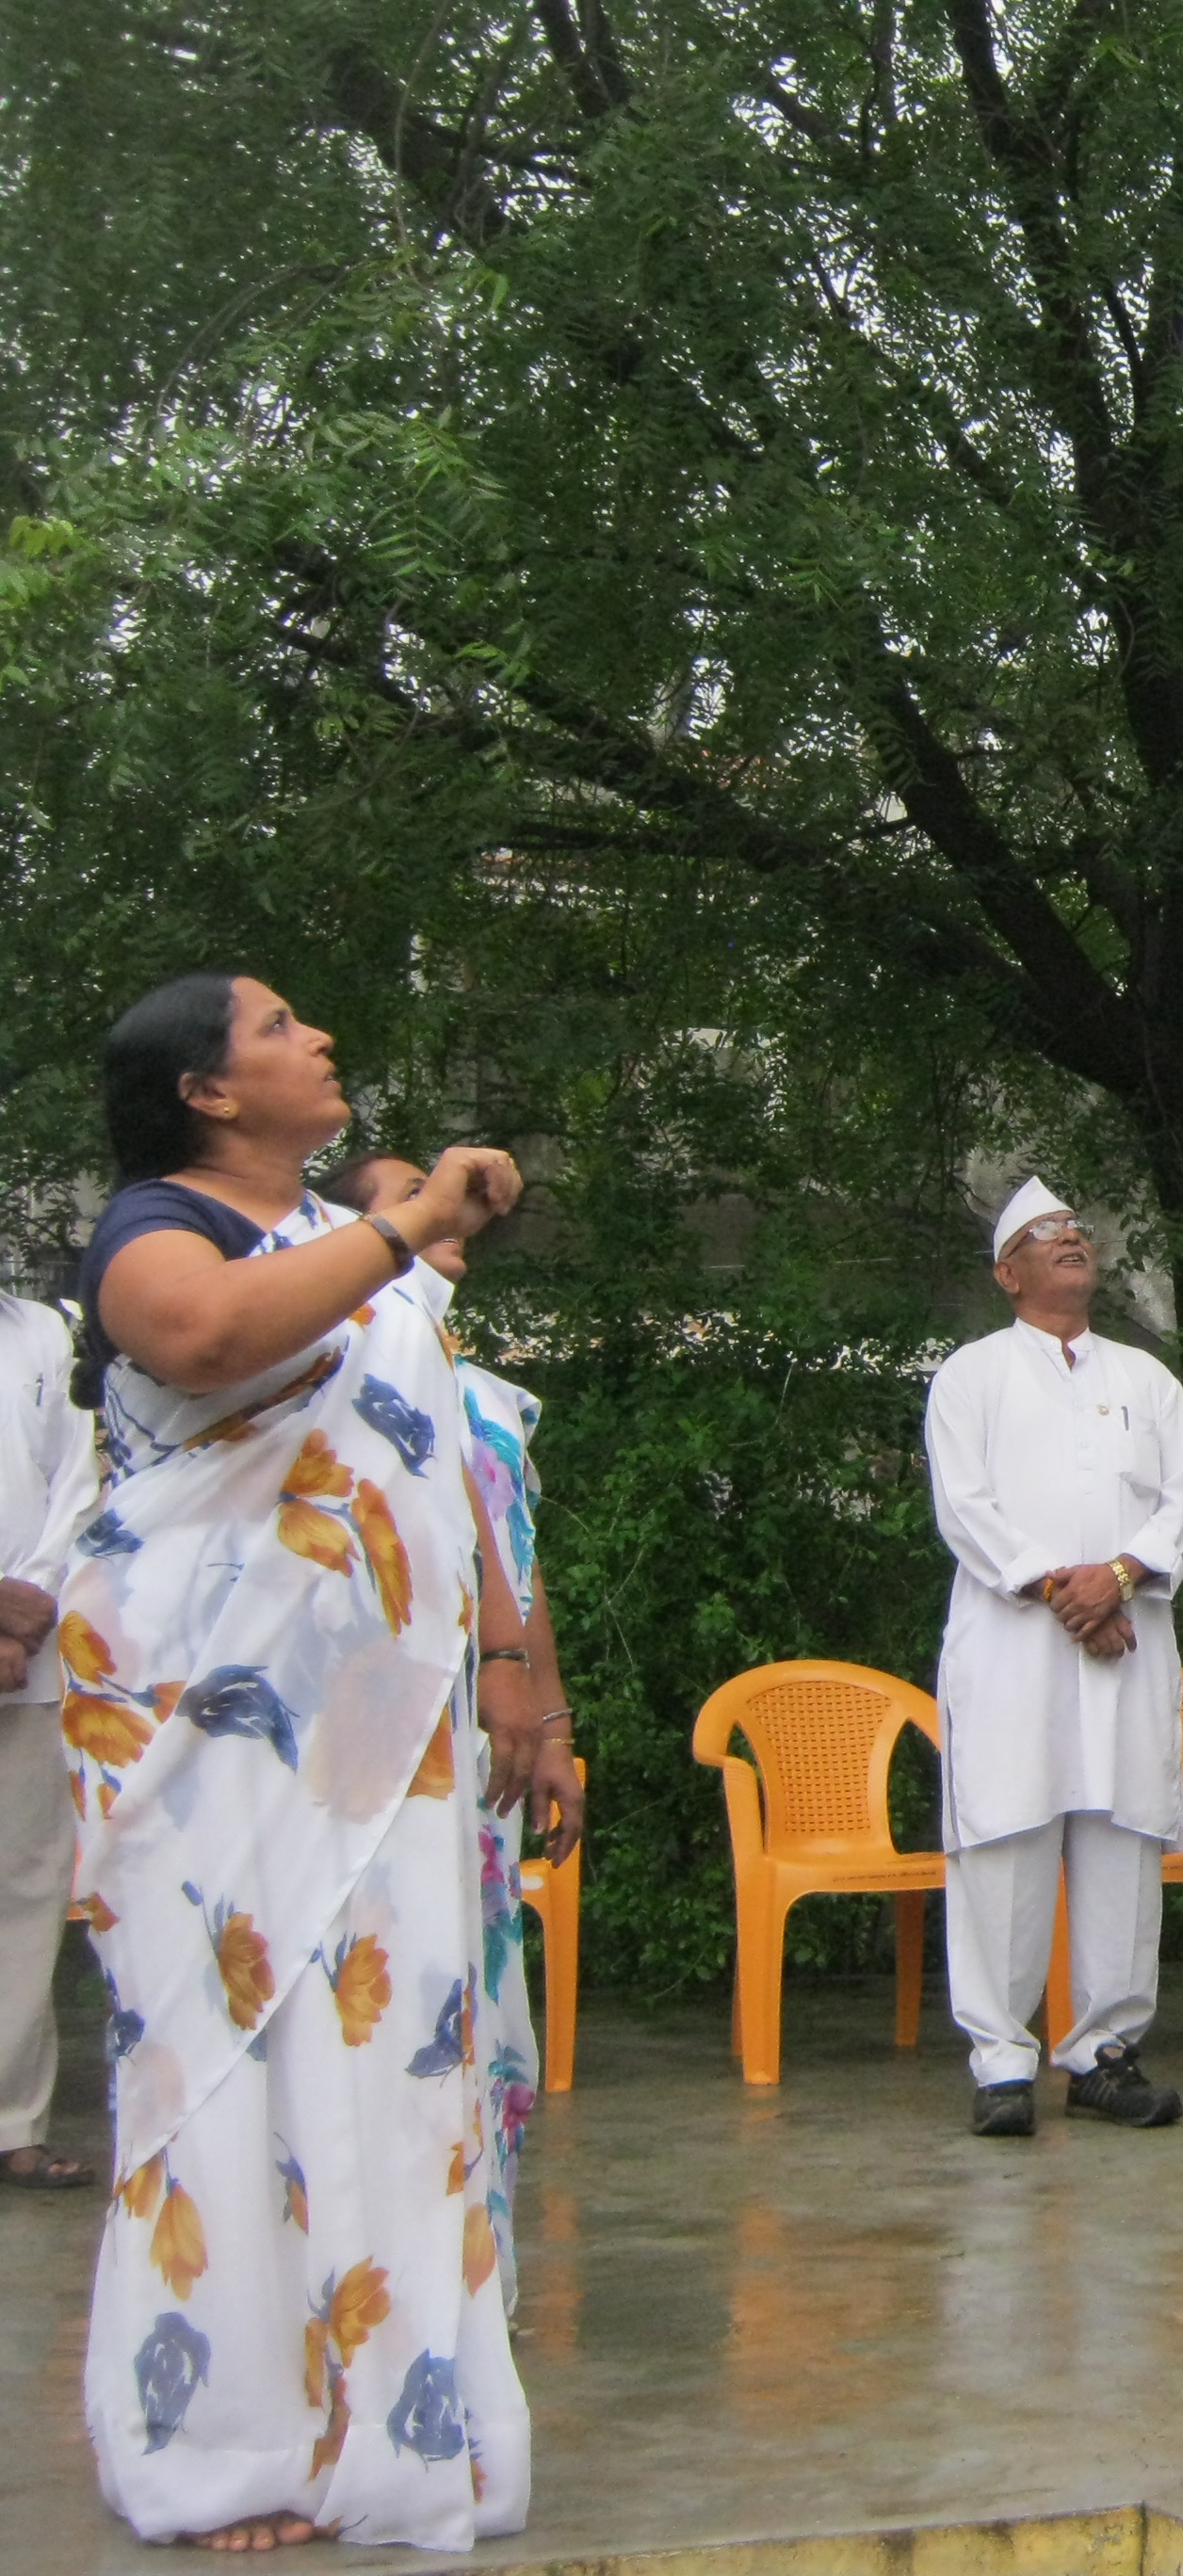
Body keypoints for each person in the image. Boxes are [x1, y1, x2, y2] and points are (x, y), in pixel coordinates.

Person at [60, 973, 531, 2552]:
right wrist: (407, 1226)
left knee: (386, 2053)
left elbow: (433, 1457)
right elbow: (202, 1337)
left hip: (374, 1737)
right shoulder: (156, 1228)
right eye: (274, 1028)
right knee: (220, 2053)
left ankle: (391, 2431)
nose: (318, 1036)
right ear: (205, 1091)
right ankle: (220, 2445)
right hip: (200, 1732)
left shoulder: (346, 1239)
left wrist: (510, 1657)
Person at [318, 1153, 586, 2298]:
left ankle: (481, 2290)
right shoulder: (320, 1370)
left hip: (487, 1736)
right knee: (381, 2007)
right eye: (403, 1194)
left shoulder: (479, 1394)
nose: (443, 1207)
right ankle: (378, 2289)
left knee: (483, 2012)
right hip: (367, 1739)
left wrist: (552, 1722)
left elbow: (519, 1568)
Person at [924, 1179, 1183, 2139]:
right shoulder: (971, 1375)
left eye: (1078, 1230)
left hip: (1128, 1642)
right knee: (1004, 1838)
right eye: (1046, 1234)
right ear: (1008, 1274)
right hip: (1013, 1649)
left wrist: (1121, 1577)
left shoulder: (1146, 1378)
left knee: (1123, 1837)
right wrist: (1067, 1593)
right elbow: (966, 1506)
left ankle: (1103, 2055)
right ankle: (1002, 2064)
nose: (1071, 1238)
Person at [0, 1284, 100, 2193]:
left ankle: (11, 2124)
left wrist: (21, 1611)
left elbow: (76, 1487)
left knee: (24, 1890)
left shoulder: (44, 1333)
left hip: (23, 1660)